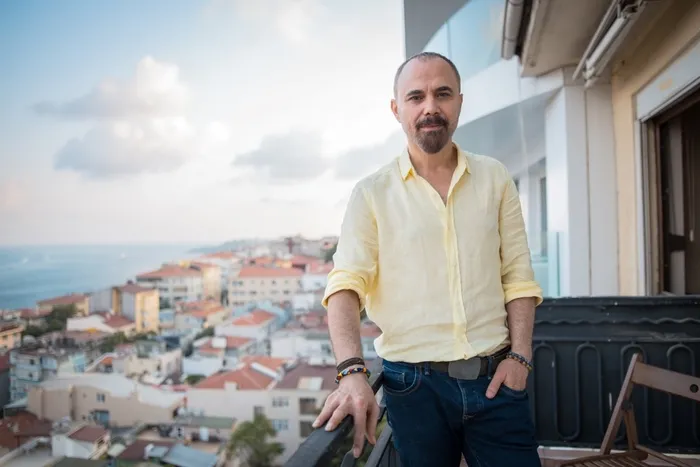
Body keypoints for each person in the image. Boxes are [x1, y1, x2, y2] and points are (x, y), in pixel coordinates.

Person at [312, 51, 543, 467]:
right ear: (396, 109)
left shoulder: (495, 177)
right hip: (412, 389)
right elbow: (345, 285)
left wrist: (520, 356)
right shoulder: (371, 193)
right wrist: (351, 372)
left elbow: (518, 276)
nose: (430, 107)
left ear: (459, 102)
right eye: (416, 97)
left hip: (497, 381)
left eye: (443, 94)